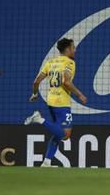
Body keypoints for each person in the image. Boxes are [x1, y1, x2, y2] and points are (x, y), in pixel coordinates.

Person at [24, 38, 88, 167]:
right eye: (73, 48)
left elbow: (36, 81)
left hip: (51, 100)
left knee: (57, 133)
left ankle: (47, 162)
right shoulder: (69, 63)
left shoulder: (50, 62)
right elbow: (66, 82)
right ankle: (39, 119)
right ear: (68, 49)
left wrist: (35, 94)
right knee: (65, 135)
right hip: (62, 102)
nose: (75, 50)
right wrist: (80, 94)